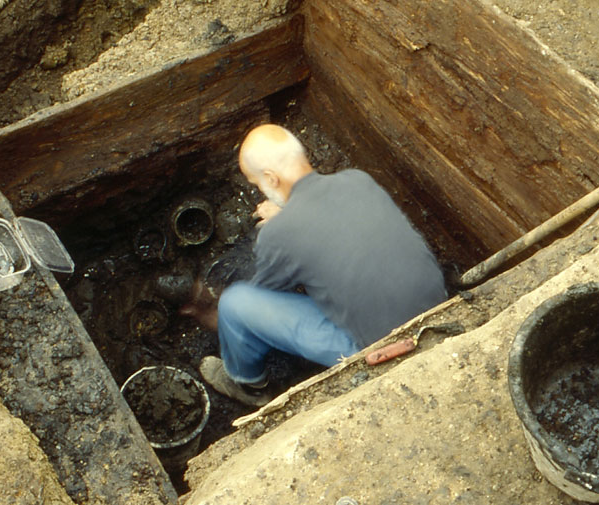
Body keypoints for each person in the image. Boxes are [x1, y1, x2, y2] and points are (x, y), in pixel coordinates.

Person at [186, 124, 447, 406]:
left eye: (256, 182)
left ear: (271, 179)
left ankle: (248, 386)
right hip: (440, 314)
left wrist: (213, 314)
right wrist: (287, 214)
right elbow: (332, 220)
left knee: (236, 305)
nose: (257, 187)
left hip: (386, 351)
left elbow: (267, 289)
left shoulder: (278, 236)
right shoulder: (358, 180)